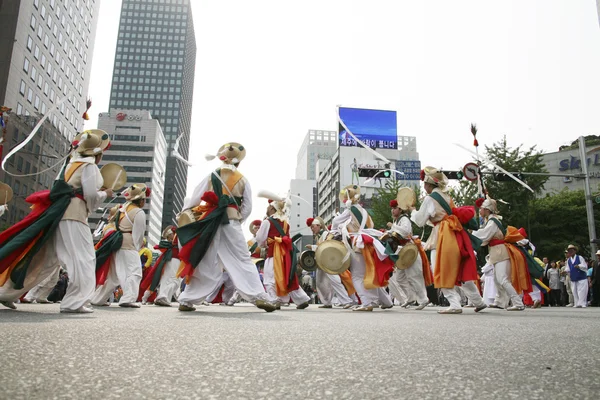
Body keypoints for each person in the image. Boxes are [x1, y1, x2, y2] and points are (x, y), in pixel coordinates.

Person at [0, 130, 113, 312]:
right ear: (98, 154)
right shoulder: (89, 166)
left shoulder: (70, 165)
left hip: (58, 214)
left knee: (45, 260)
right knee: (84, 258)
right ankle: (73, 302)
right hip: (74, 215)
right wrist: (105, 194)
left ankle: (6, 293)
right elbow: (90, 195)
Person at [176, 142, 276, 312]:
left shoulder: (211, 176)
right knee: (242, 259)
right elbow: (247, 207)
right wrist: (236, 218)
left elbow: (195, 197)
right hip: (231, 221)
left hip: (209, 222)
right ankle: (258, 295)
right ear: (238, 163)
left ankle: (187, 299)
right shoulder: (243, 179)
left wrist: (185, 212)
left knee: (205, 260)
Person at [410, 167, 487, 314]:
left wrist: (413, 211)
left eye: (424, 184)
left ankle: (454, 303)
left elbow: (420, 221)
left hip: (442, 234)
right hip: (454, 233)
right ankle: (478, 301)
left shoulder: (430, 198)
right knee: (458, 269)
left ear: (428, 184)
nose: (424, 186)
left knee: (440, 268)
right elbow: (437, 217)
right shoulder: (447, 196)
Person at [332, 184, 394, 311]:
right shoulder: (364, 211)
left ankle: (366, 303)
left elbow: (335, 222)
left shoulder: (350, 210)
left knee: (357, 276)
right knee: (369, 272)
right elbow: (371, 225)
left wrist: (340, 227)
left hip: (358, 244)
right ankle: (386, 301)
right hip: (369, 243)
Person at [90, 184, 149, 308]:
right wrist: (136, 248)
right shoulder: (138, 212)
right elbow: (138, 235)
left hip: (117, 244)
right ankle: (128, 298)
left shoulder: (123, 208)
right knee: (134, 272)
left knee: (113, 276)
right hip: (128, 244)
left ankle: (97, 299)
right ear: (141, 200)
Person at [472, 196, 530, 311]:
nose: (480, 211)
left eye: (481, 209)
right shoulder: (491, 220)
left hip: (500, 251)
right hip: (496, 251)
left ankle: (518, 303)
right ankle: (500, 301)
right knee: (497, 279)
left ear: (487, 210)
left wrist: (472, 234)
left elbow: (485, 235)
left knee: (503, 279)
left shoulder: (493, 221)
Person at [256, 198, 310, 309]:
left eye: (268, 206)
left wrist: (264, 245)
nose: (267, 208)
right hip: (285, 254)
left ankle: (274, 300)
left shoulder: (267, 221)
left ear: (272, 207)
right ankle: (301, 299)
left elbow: (260, 238)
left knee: (270, 277)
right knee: (288, 276)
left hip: (274, 253)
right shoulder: (286, 223)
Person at [387, 197, 432, 310]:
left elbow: (405, 231)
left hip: (410, 248)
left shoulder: (404, 219)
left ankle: (423, 299)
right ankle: (410, 297)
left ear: (400, 209)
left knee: (414, 275)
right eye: (392, 208)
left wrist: (392, 227)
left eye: (395, 208)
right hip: (402, 250)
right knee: (400, 278)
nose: (393, 210)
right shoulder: (396, 221)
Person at [306, 217, 354, 309]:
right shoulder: (319, 236)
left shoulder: (325, 234)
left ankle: (347, 301)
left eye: (313, 227)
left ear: (319, 226)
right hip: (322, 262)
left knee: (335, 281)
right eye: (311, 227)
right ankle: (327, 302)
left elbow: (325, 248)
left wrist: (312, 247)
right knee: (320, 282)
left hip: (328, 262)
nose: (312, 229)